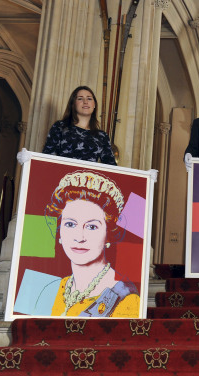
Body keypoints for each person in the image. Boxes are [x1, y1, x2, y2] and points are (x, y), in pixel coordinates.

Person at [44, 171, 139, 317]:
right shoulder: (52, 289)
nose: (79, 237)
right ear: (59, 230)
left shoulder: (126, 298)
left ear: (108, 234)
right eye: (70, 224)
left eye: (92, 227)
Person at [42, 86, 116, 165]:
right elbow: (47, 156)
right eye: (80, 98)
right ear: (73, 104)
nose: (85, 102)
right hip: (63, 175)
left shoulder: (102, 136)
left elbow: (111, 166)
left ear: (94, 105)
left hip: (89, 176)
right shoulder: (60, 127)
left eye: (89, 98)